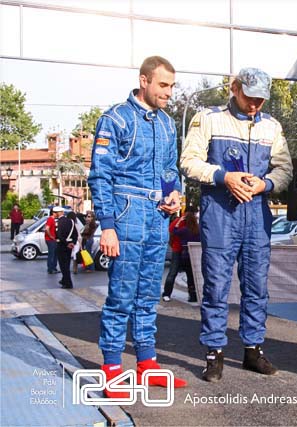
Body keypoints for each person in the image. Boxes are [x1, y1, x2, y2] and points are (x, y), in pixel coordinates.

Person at [180, 67, 293, 382]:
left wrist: (265, 184)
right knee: (216, 286)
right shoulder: (208, 119)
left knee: (256, 286)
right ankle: (214, 352)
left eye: (261, 99)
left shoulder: (272, 126)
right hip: (220, 213)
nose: (255, 104)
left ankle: (253, 349)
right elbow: (188, 162)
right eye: (249, 96)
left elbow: (285, 170)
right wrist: (223, 176)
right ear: (234, 88)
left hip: (257, 214)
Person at [88, 55, 187, 398]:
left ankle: (147, 364)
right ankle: (112, 370)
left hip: (158, 217)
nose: (169, 92)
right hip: (126, 214)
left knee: (148, 295)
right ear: (144, 81)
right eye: (163, 85)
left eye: (172, 86)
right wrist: (108, 226)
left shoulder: (167, 124)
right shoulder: (115, 119)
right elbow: (100, 176)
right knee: (121, 296)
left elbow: (171, 170)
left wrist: (174, 194)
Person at [172, 209, 199, 303]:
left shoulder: (184, 230)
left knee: (189, 276)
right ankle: (197, 293)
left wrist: (179, 221)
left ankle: (192, 295)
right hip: (196, 255)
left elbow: (174, 231)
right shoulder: (198, 230)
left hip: (186, 255)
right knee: (196, 276)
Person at [162, 213, 186, 302]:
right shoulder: (192, 222)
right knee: (190, 273)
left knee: (172, 272)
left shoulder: (178, 221)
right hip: (188, 250)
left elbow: (171, 231)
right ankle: (193, 295)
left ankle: (166, 294)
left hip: (177, 249)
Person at [57, 211, 78, 289]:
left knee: (63, 265)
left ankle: (68, 283)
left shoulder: (61, 222)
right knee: (67, 264)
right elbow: (75, 234)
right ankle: (64, 280)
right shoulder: (72, 223)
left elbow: (59, 235)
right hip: (69, 246)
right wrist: (73, 243)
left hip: (62, 245)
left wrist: (66, 243)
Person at [45, 207, 62, 274]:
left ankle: (54, 268)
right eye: (56, 212)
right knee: (51, 254)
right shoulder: (50, 219)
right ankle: (50, 268)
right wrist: (51, 236)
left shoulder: (53, 220)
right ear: (53, 213)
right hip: (50, 240)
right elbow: (47, 228)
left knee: (55, 254)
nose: (58, 214)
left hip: (53, 239)